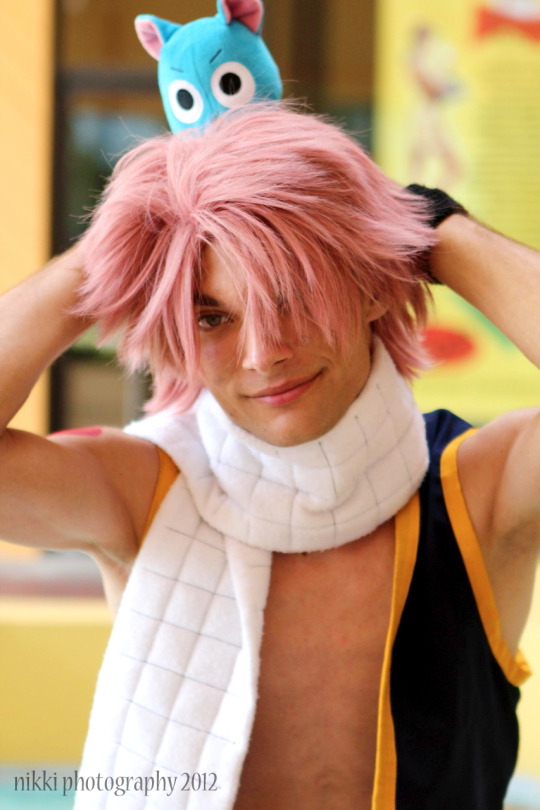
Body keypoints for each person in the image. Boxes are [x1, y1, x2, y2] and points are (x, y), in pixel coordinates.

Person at [1, 103, 538, 810]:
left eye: (289, 295)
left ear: (373, 287)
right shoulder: (147, 487)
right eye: (212, 317)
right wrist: (103, 257)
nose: (262, 354)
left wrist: (441, 233)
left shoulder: (479, 492)